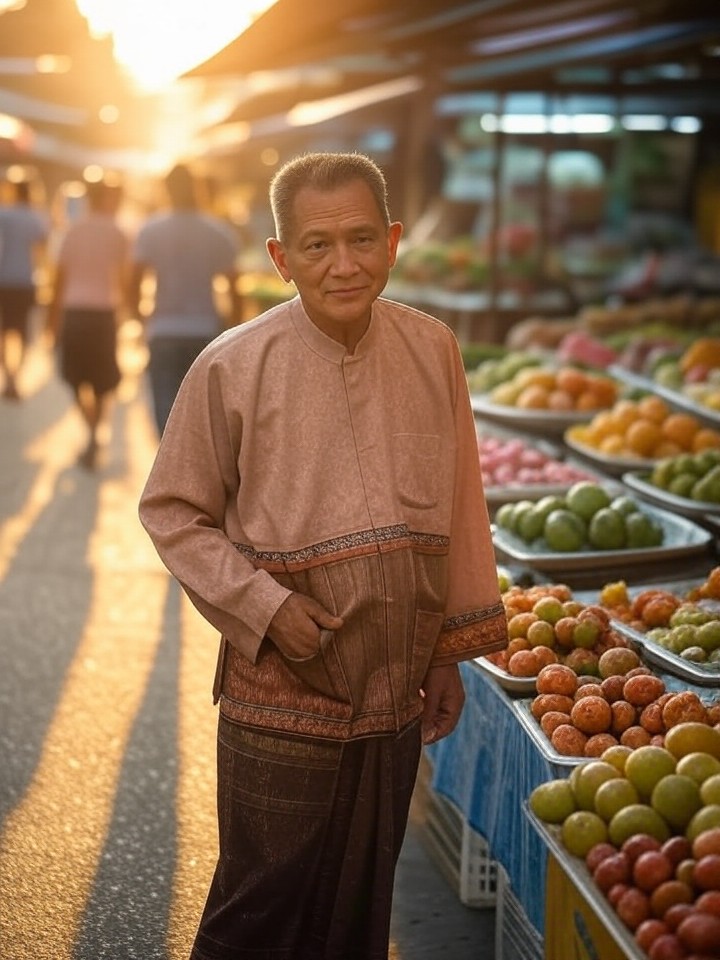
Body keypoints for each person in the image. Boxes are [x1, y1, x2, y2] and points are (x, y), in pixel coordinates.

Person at [139, 152, 507, 960]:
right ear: (280, 258)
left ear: (394, 241)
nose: (344, 264)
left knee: (360, 898)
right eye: (316, 245)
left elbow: (460, 501)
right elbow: (172, 510)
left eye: (361, 239)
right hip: (282, 684)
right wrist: (268, 608)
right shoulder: (231, 365)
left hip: (396, 688)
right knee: (260, 905)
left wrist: (449, 653)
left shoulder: (433, 347)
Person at [128, 163, 243, 435]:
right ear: (198, 187)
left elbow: (133, 281)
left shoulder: (150, 230)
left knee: (167, 425)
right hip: (206, 333)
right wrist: (235, 333)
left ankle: (175, 475)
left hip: (163, 331)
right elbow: (235, 289)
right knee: (206, 423)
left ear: (165, 190)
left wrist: (139, 318)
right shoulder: (218, 232)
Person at [47, 178, 129, 469]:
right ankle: (96, 430)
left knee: (73, 376)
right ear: (105, 199)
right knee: (104, 380)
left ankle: (91, 429)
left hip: (75, 313)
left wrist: (51, 324)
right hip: (104, 314)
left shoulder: (72, 232)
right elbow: (124, 279)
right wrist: (127, 315)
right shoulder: (118, 232)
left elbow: (58, 281)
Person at [0, 178, 49, 400]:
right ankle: (16, 376)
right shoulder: (35, 219)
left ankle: (8, 377)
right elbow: (43, 252)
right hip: (25, 280)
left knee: (2, 331)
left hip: (3, 280)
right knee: (22, 332)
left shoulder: (4, 215)